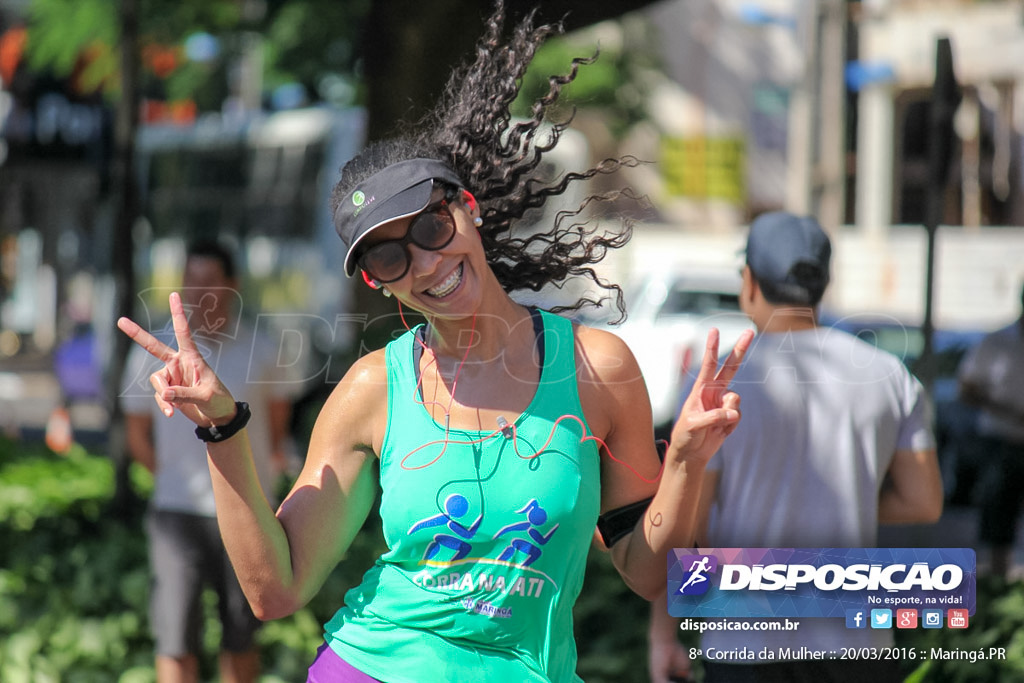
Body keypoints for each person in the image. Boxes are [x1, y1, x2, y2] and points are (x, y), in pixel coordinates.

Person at [116, 4, 753, 681]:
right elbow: (276, 589)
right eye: (388, 257)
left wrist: (683, 460)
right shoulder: (372, 389)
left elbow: (647, 571)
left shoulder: (599, 369)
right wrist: (222, 427)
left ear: (467, 209)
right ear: (375, 282)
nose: (422, 263)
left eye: (430, 225)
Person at [647, 212, 943, 683]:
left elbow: (688, 526)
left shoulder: (717, 383)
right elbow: (923, 502)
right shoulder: (889, 375)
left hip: (743, 639)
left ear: (749, 281)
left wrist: (665, 636)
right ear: (822, 284)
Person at [121, 239, 298, 683]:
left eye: (210, 281)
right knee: (175, 638)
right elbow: (136, 434)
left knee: (241, 635)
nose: (199, 292)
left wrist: (259, 484)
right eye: (190, 281)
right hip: (175, 513)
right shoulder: (153, 348)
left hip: (244, 511)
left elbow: (277, 426)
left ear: (232, 286)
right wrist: (169, 481)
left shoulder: (264, 346)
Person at [957, 283, 1024, 581]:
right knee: (999, 518)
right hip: (1001, 439)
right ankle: (998, 586)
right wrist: (1008, 411)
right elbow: (967, 389)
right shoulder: (997, 341)